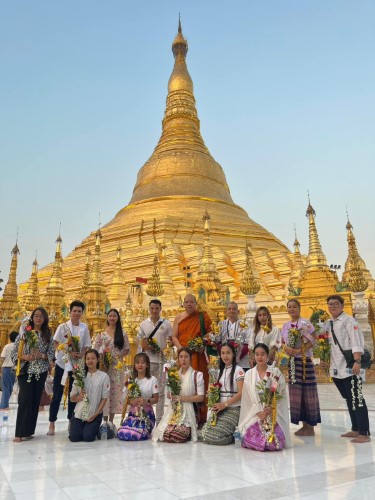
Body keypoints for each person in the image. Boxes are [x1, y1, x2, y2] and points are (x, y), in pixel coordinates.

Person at [324, 294, 370, 443]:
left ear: (342, 306)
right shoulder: (330, 322)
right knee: (349, 398)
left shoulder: (350, 321)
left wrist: (357, 362)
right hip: (337, 368)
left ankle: (364, 432)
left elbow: (356, 342)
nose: (333, 306)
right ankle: (355, 428)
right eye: (330, 304)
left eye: (336, 303)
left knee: (356, 397)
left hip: (351, 366)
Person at [11, 308, 55, 442]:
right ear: (32, 317)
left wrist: (41, 355)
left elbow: (51, 356)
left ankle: (29, 430)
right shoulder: (24, 334)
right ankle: (19, 433)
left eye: (41, 316)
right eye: (36, 316)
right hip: (26, 371)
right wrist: (25, 356)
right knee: (25, 400)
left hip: (40, 371)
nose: (38, 318)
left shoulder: (47, 336)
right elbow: (14, 354)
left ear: (45, 318)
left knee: (35, 401)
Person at [48, 300, 91, 436]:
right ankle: (52, 422)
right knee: (57, 394)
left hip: (77, 365)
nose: (77, 313)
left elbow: (86, 345)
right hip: (63, 363)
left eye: (79, 311)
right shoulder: (63, 327)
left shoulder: (84, 327)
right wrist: (67, 351)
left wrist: (81, 354)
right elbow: (55, 342)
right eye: (74, 311)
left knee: (74, 394)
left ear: (82, 313)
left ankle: (71, 420)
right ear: (70, 312)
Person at [239, 343, 291, 451]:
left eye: (263, 354)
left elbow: (281, 395)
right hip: (255, 415)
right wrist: (258, 412)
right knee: (254, 438)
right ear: (253, 356)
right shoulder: (249, 374)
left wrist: (272, 408)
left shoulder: (275, 373)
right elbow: (247, 399)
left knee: (272, 442)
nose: (259, 357)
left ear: (268, 356)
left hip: (273, 415)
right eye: (257, 354)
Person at [281, 298, 321, 436]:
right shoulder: (285, 326)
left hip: (304, 362)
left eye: (294, 307)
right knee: (296, 394)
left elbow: (313, 338)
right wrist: (287, 348)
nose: (292, 309)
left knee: (308, 392)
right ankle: (304, 425)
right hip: (292, 362)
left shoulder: (305, 323)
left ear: (299, 308)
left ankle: (310, 426)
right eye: (289, 307)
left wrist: (301, 350)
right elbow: (282, 343)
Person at [172, 294, 212, 421]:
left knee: (199, 383)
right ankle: (180, 414)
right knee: (183, 384)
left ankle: (199, 416)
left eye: (191, 302)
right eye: (186, 302)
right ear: (183, 304)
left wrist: (201, 344)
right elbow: (174, 336)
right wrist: (181, 350)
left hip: (197, 355)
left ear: (196, 304)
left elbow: (210, 334)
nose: (189, 304)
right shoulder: (178, 317)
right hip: (183, 356)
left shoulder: (202, 317)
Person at [153, 347, 205, 443]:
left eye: (186, 357)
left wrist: (182, 398)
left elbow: (201, 397)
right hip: (175, 410)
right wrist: (171, 395)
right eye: (181, 357)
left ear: (191, 359)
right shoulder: (175, 374)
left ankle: (188, 430)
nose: (183, 360)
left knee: (177, 436)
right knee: (164, 434)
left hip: (189, 411)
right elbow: (170, 392)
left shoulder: (197, 375)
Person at [201, 343, 244, 445]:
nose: (225, 356)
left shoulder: (239, 370)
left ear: (233, 354)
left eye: (228, 353)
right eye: (223, 353)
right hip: (220, 409)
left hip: (234, 409)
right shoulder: (219, 371)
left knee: (216, 437)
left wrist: (224, 404)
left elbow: (241, 393)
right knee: (205, 434)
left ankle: (234, 436)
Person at [137, 300, 172, 423]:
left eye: (157, 308)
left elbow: (171, 342)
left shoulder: (166, 324)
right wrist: (146, 346)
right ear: (149, 309)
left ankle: (159, 419)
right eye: (152, 308)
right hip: (147, 362)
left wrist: (164, 350)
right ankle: (145, 417)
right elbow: (140, 343)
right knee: (145, 390)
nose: (154, 311)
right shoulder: (143, 325)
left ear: (160, 309)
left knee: (161, 391)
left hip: (161, 362)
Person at [93, 308, 130, 423]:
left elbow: (127, 349)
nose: (112, 318)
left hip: (117, 367)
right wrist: (103, 353)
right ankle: (104, 421)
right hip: (105, 366)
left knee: (115, 393)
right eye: (110, 316)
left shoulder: (122, 333)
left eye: (114, 316)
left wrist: (117, 355)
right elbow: (95, 348)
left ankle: (111, 421)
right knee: (105, 392)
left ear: (118, 318)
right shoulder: (102, 334)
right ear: (107, 318)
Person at [69, 349, 110, 442]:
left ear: (98, 359)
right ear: (85, 361)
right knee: (74, 438)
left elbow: (104, 398)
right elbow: (72, 398)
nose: (90, 361)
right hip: (79, 413)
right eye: (88, 359)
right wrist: (80, 397)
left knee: (88, 437)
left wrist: (95, 414)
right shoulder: (79, 376)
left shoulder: (104, 376)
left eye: (93, 358)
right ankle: (79, 426)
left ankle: (92, 428)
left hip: (94, 413)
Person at [118, 353, 159, 441]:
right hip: (133, 414)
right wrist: (130, 401)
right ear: (134, 365)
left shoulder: (152, 380)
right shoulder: (131, 380)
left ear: (147, 364)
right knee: (122, 433)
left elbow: (156, 399)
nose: (140, 365)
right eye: (137, 362)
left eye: (143, 362)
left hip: (146, 415)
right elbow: (123, 398)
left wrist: (146, 401)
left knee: (136, 433)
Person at [217, 302, 251, 370]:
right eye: (229, 309)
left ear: (238, 312)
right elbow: (217, 342)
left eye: (234, 309)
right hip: (225, 362)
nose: (231, 311)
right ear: (226, 311)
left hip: (242, 362)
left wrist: (236, 357)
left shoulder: (245, 324)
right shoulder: (221, 324)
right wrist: (226, 356)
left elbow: (248, 343)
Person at [0, 331, 18, 410]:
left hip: (6, 368)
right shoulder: (19, 346)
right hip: (15, 368)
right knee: (10, 386)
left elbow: (2, 357)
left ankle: (4, 405)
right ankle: (5, 404)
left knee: (6, 387)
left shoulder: (7, 346)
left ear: (9, 338)